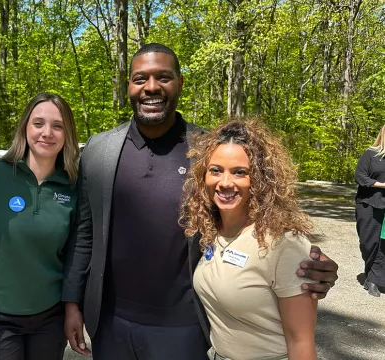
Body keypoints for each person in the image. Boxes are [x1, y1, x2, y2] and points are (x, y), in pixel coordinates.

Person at [62, 43, 339, 360]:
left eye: (163, 77)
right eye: (140, 79)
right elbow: (85, 232)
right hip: (110, 325)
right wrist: (72, 301)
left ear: (179, 83)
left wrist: (311, 264)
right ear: (128, 85)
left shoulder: (209, 151)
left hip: (184, 328)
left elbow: (256, 216)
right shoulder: (99, 150)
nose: (151, 87)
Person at [182, 119, 317, 360]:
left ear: (261, 179)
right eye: (216, 170)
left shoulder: (283, 244)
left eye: (240, 172)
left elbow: (301, 343)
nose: (225, 182)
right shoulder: (211, 232)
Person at [0, 93, 79, 360]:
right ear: (25, 127)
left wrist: (72, 308)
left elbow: (76, 256)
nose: (47, 133)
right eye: (38, 123)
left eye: (58, 126)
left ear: (68, 134)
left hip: (49, 317)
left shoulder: (75, 187)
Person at [355, 124, 385, 297]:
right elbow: (360, 176)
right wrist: (382, 185)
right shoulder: (371, 154)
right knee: (369, 242)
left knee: (383, 243)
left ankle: (374, 279)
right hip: (369, 204)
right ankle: (370, 273)